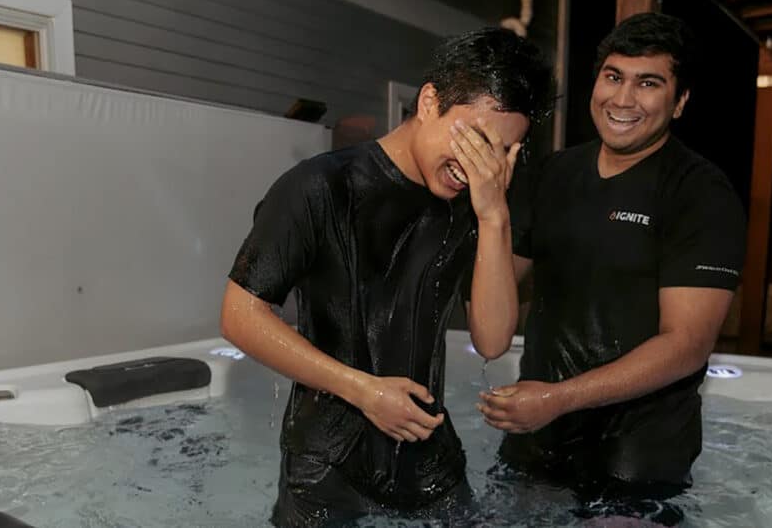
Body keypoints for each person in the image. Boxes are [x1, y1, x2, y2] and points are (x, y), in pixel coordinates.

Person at [220, 27, 553, 527]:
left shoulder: (478, 203)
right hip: (326, 464)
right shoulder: (319, 186)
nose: (480, 166)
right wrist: (363, 391)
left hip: (428, 455)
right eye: (475, 139)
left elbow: (491, 340)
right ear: (428, 102)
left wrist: (494, 217)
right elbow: (239, 315)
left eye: (504, 151)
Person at [476, 12, 746, 525]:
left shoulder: (701, 194)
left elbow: (687, 345)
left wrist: (558, 398)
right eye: (613, 76)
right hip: (540, 439)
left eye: (648, 83)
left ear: (680, 101)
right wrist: (489, 214)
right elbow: (491, 309)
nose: (623, 99)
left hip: (637, 456)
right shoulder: (552, 174)